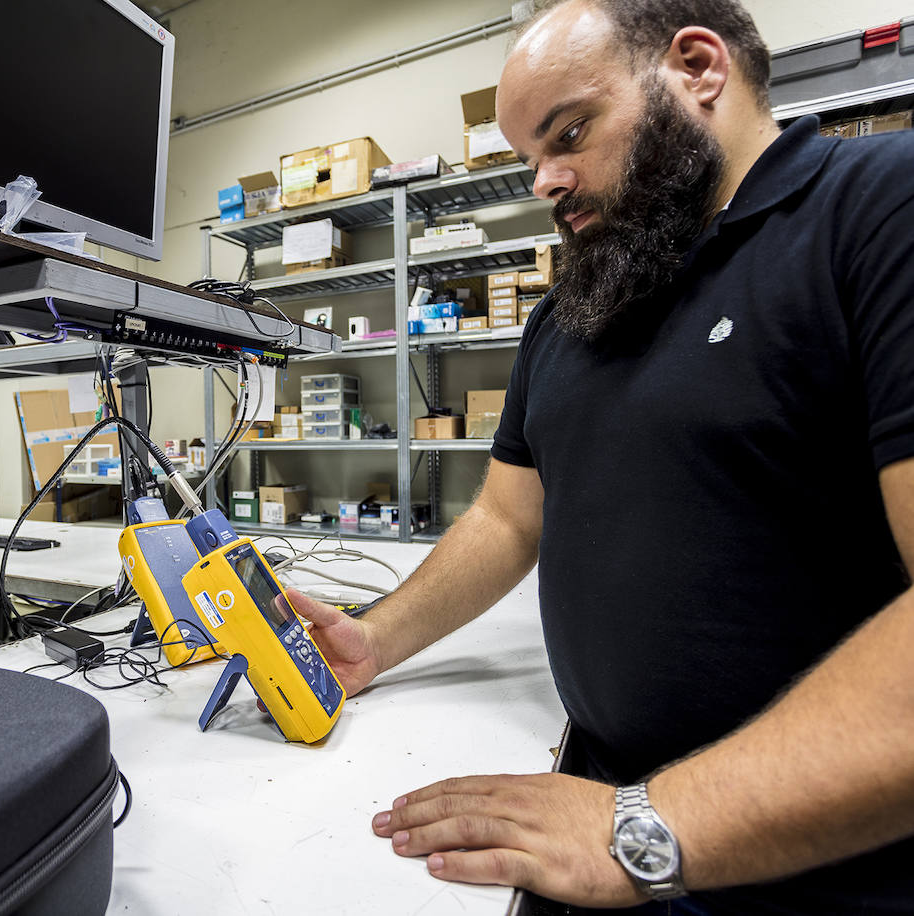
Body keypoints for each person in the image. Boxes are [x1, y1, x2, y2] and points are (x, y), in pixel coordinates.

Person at [287, 1, 914, 912]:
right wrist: (374, 639)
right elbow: (507, 518)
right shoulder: (575, 305)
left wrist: (650, 823)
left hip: (814, 865)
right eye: (527, 161)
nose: (545, 181)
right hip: (599, 807)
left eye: (568, 133)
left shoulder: (877, 206)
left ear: (697, 69)